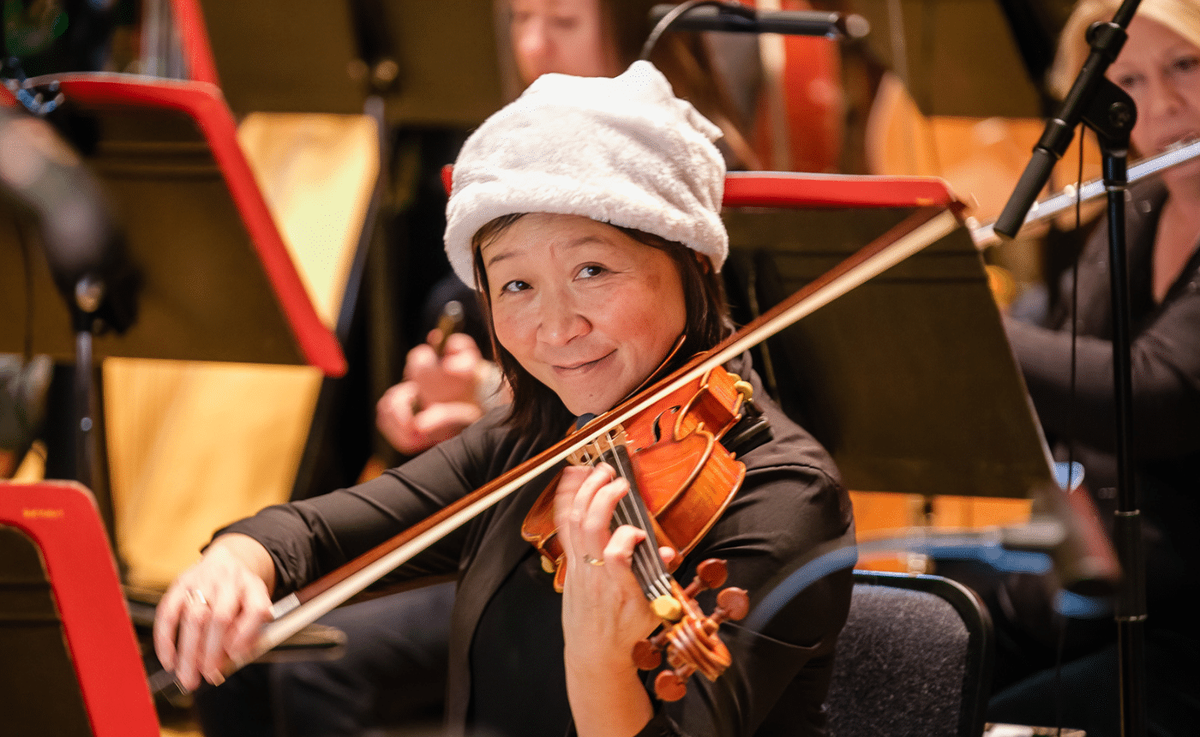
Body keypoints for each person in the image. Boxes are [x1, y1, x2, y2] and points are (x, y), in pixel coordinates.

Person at [155, 62, 854, 737]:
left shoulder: (783, 492)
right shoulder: (540, 439)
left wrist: (596, 651)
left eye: (592, 269)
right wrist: (237, 559)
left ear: (693, 260)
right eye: (516, 285)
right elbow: (313, 534)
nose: (555, 327)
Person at [964, 2, 1200, 735]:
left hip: (1186, 632)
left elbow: (1157, 394)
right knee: (913, 646)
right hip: (1112, 584)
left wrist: (964, 318)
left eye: (1186, 66)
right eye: (1127, 80)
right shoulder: (1144, 203)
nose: (1160, 106)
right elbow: (1063, 343)